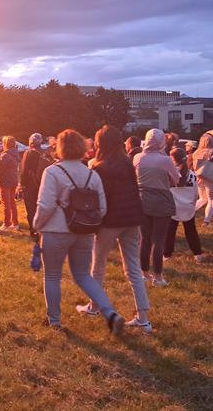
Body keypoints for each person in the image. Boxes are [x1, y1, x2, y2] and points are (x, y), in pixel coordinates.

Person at [34, 129, 125, 334]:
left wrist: (37, 225)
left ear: (59, 147)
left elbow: (46, 205)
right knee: (83, 275)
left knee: (52, 276)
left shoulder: (53, 172)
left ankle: (54, 321)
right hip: (84, 231)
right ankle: (110, 312)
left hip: (55, 230)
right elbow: (101, 209)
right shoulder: (92, 174)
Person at [77, 125, 152, 333]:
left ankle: (93, 306)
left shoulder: (99, 168)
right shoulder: (127, 164)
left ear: (100, 143)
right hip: (132, 219)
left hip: (110, 222)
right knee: (133, 269)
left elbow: (97, 198)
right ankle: (143, 318)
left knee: (98, 266)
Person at [134, 129, 180, 287]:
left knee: (145, 239)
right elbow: (176, 180)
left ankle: (144, 274)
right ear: (162, 141)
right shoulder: (166, 160)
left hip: (142, 201)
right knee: (159, 241)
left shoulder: (138, 157)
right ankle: (158, 277)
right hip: (162, 202)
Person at [164, 148, 205, 263]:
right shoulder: (192, 175)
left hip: (173, 208)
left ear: (173, 159)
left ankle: (167, 254)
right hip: (188, 208)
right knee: (191, 231)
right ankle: (198, 254)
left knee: (170, 232)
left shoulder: (170, 174)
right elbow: (195, 193)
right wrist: (192, 205)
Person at [20, 133, 47, 271]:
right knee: (39, 206)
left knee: (31, 208)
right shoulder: (43, 152)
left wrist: (22, 184)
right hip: (41, 184)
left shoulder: (28, 152)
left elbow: (24, 170)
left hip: (30, 185)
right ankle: (40, 228)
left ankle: (33, 230)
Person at [0, 136, 20, 231]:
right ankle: (15, 223)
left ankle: (6, 223)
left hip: (5, 181)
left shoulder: (4, 155)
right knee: (12, 202)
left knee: (6, 203)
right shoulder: (15, 154)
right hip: (13, 180)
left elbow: (0, 169)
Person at [193, 132, 213, 226]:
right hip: (210, 179)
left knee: (202, 199)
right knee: (211, 200)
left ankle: (189, 212)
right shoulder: (211, 152)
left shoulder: (196, 153)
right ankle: (206, 221)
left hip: (199, 178)